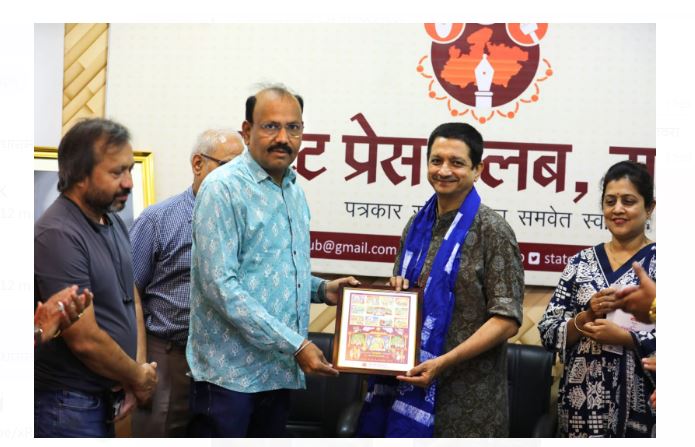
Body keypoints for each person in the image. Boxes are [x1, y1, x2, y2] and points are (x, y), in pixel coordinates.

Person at [186, 85, 359, 437]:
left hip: (276, 374)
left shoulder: (293, 189)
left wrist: (323, 290)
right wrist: (297, 344)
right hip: (229, 378)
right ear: (247, 131)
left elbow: (271, 272)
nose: (283, 138)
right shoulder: (223, 189)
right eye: (270, 126)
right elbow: (221, 287)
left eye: (293, 128)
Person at [357, 122, 524, 437]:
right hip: (408, 387)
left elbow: (507, 319)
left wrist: (443, 362)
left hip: (469, 400)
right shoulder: (416, 226)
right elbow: (402, 295)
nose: (444, 170)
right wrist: (396, 291)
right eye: (436, 161)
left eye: (456, 162)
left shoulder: (493, 231)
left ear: (477, 170)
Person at [34, 118, 158, 437]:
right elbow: (84, 339)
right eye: (116, 173)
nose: (129, 183)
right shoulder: (58, 234)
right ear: (80, 176)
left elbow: (132, 298)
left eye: (130, 170)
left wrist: (136, 372)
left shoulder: (112, 221)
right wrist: (138, 377)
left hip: (105, 399)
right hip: (68, 405)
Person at [130, 129, 244, 437]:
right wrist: (139, 364)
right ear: (198, 164)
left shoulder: (243, 223)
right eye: (229, 167)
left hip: (222, 361)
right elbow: (130, 292)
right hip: (168, 355)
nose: (238, 178)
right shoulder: (158, 220)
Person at [538, 160, 656, 437]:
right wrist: (586, 316)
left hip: (642, 406)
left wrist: (628, 339)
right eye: (610, 201)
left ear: (649, 207)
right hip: (580, 406)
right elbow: (547, 332)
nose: (618, 209)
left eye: (628, 201)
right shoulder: (580, 263)